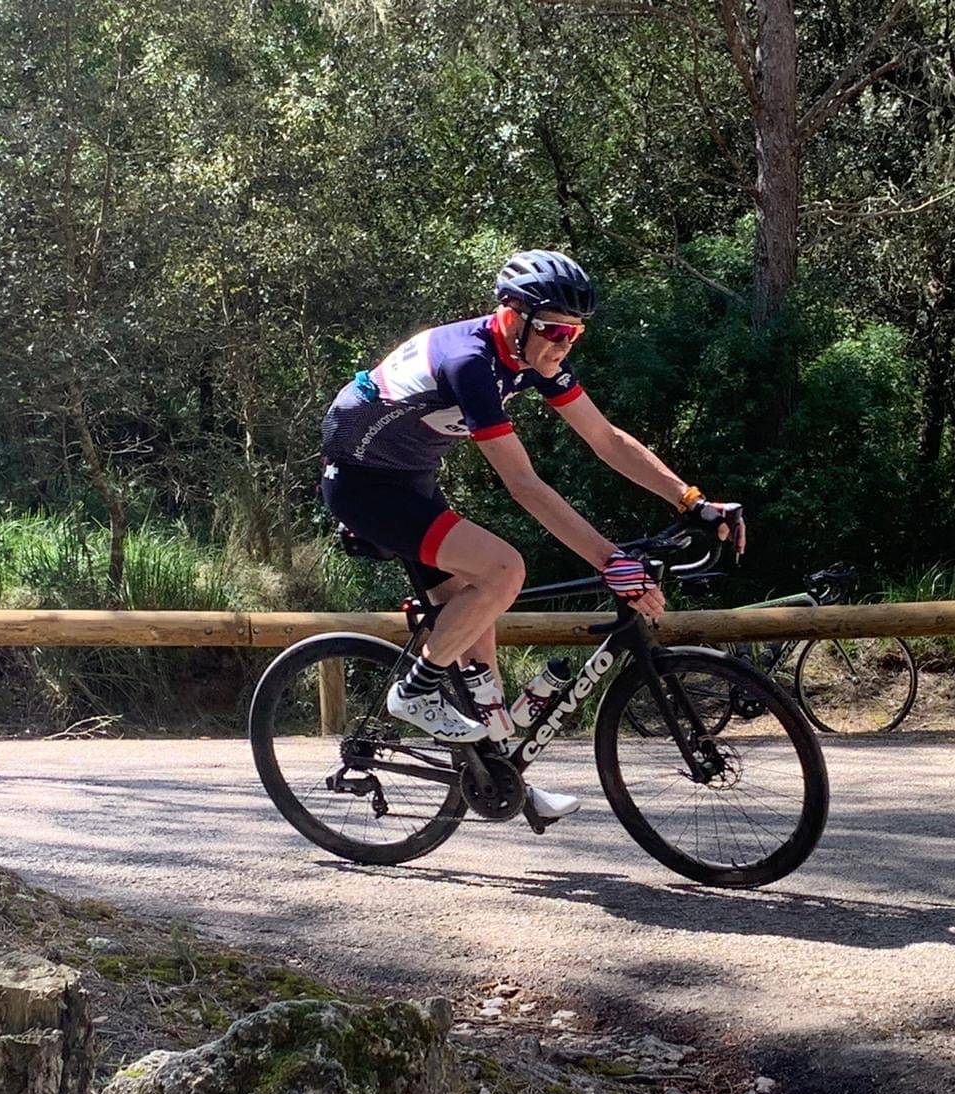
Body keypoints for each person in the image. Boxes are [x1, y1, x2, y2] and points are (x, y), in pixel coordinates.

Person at [319, 249, 745, 818]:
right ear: (512, 315)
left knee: (478, 633)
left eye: (574, 335)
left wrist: (692, 501)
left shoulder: (533, 358)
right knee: (505, 570)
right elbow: (523, 483)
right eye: (553, 331)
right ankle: (414, 691)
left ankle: (501, 773)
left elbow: (606, 439)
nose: (563, 345)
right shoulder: (469, 361)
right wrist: (610, 560)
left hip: (412, 480)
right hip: (363, 484)